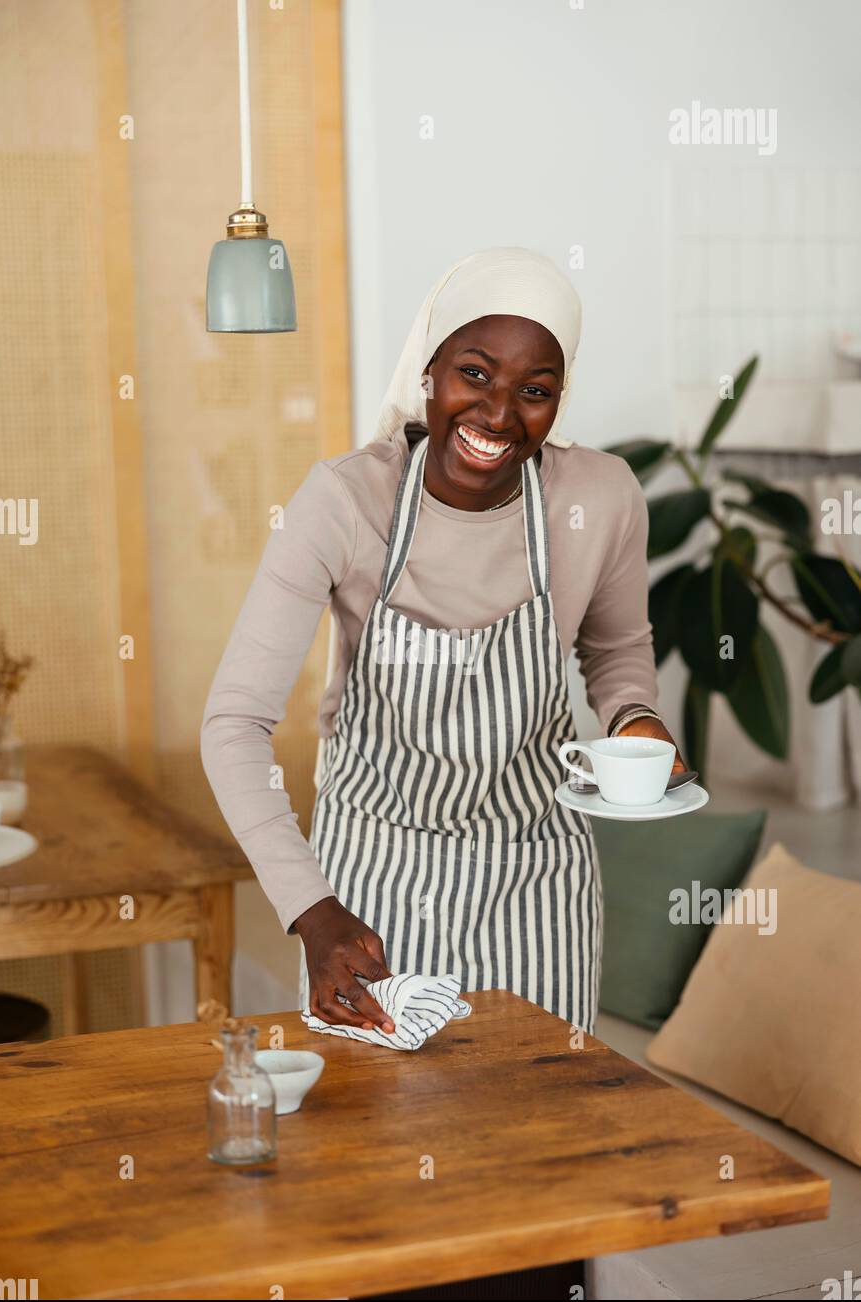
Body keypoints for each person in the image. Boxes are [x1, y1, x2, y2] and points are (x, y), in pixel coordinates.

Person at [201, 246, 682, 1039]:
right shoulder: (344, 502)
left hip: (538, 875)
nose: (498, 415)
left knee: (543, 1138)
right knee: (379, 1142)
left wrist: (636, 724)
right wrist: (312, 912)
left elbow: (618, 648)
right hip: (368, 891)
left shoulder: (600, 498)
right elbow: (233, 724)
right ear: (428, 371)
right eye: (475, 373)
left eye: (535, 391)